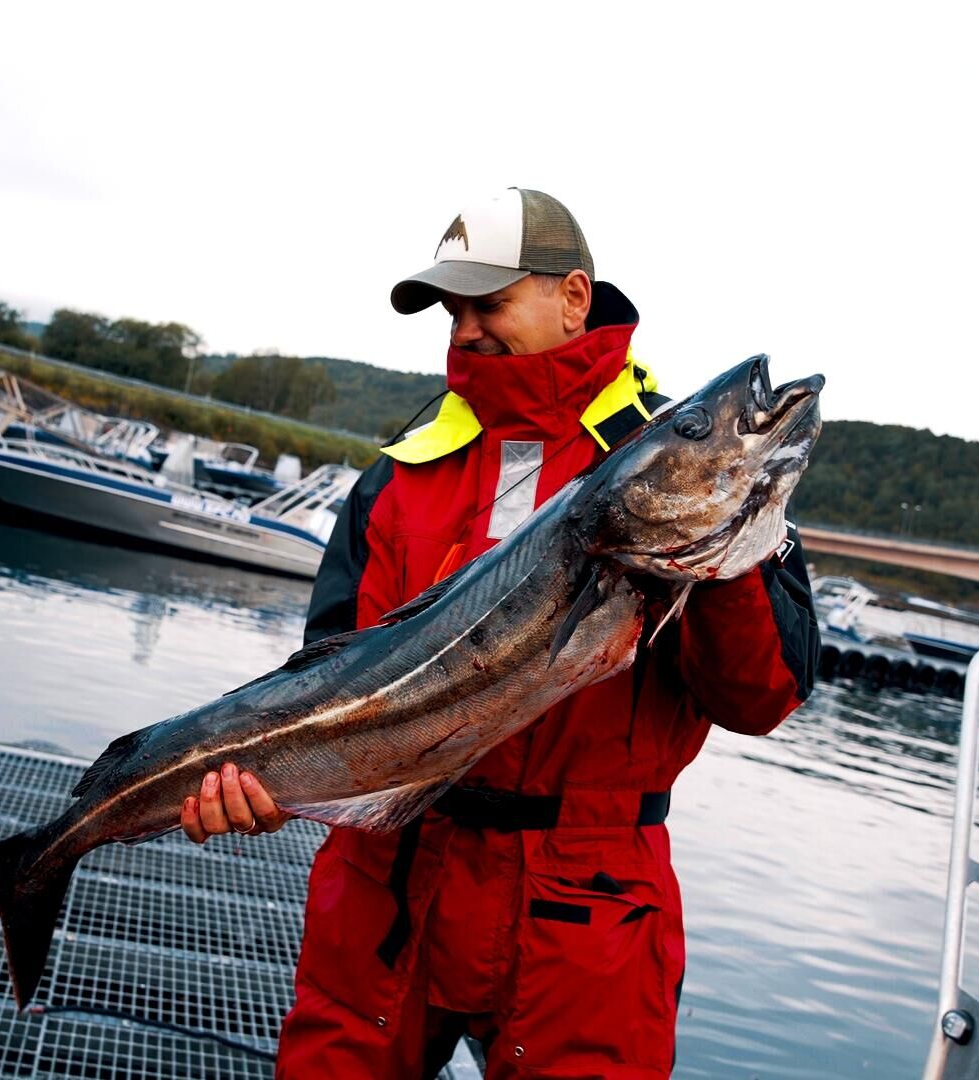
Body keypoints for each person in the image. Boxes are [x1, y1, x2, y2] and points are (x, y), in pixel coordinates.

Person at [178, 188, 819, 1078]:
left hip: (583, 902)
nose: (467, 330)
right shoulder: (401, 474)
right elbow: (320, 675)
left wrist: (733, 560)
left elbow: (760, 700)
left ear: (574, 297)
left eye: (491, 304)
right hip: (387, 879)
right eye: (453, 311)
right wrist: (270, 784)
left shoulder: (672, 457)